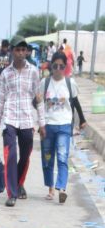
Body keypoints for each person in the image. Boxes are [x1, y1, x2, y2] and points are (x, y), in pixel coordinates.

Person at [0, 39, 46, 207]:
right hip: (10, 120)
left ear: (27, 52)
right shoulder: (6, 74)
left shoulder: (34, 73)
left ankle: (19, 182)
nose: (21, 53)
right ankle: (12, 193)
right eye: (18, 50)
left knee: (25, 155)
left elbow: (39, 99)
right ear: (12, 51)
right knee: (11, 155)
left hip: (27, 120)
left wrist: (42, 123)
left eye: (24, 50)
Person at [40, 51, 87, 203]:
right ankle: (50, 188)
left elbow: (76, 101)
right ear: (51, 66)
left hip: (64, 126)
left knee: (62, 157)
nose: (58, 69)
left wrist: (82, 120)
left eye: (61, 66)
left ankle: (62, 189)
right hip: (48, 126)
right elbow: (38, 103)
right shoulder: (44, 83)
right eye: (55, 66)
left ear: (65, 67)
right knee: (47, 159)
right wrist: (39, 122)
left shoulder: (70, 83)